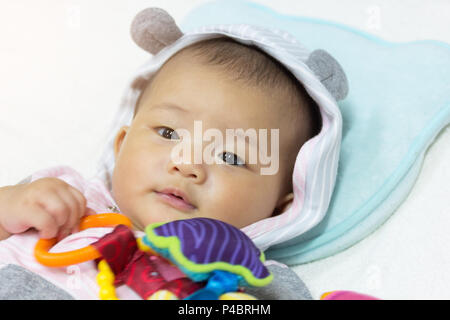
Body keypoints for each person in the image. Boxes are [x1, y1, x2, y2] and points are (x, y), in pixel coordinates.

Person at [0, 8, 348, 300]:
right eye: (168, 133)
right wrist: (11, 205)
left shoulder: (249, 274)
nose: (187, 164)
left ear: (280, 207)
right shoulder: (64, 197)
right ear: (122, 145)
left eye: (230, 157)